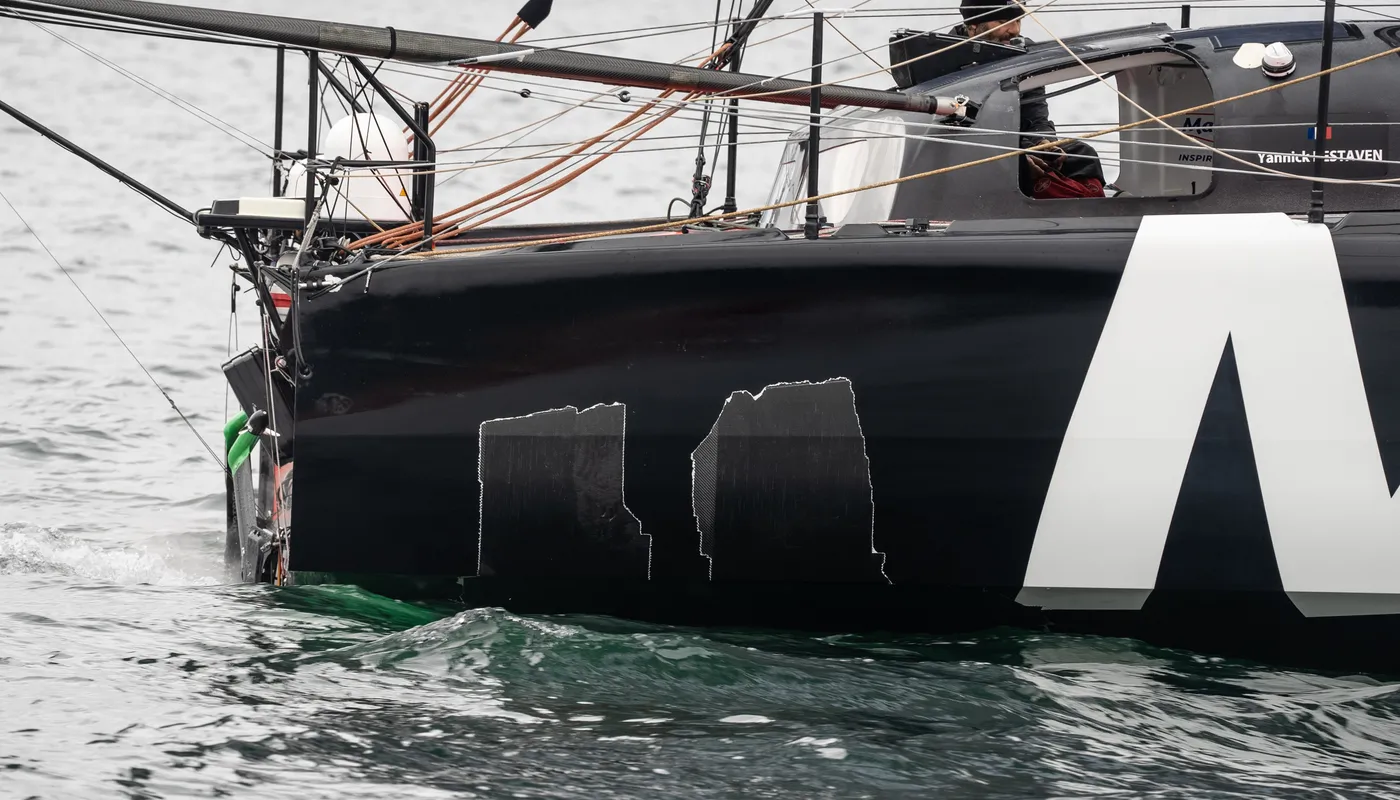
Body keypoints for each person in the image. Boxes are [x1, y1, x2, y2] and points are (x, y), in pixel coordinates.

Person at [953, 0, 1106, 199]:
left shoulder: (1022, 52)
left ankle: (1093, 211)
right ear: (973, 25)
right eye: (1003, 21)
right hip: (968, 151)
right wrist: (1020, 155)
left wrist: (1045, 143)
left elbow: (1036, 119)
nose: (1015, 30)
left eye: (1019, 20)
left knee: (1083, 154)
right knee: (1017, 167)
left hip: (1018, 144)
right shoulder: (940, 57)